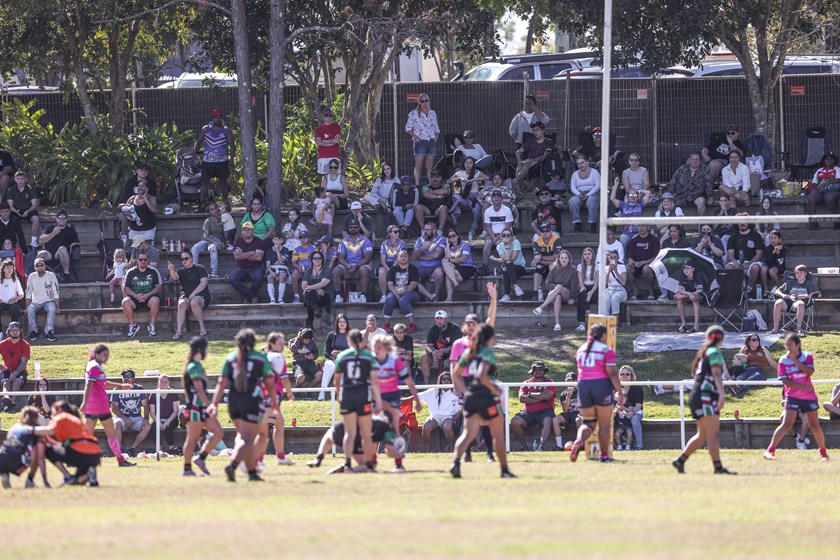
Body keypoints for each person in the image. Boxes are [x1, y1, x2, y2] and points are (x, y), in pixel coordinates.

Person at [449, 324, 514, 478]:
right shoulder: (487, 352)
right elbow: (482, 375)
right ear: (490, 338)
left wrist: (466, 391)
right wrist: (495, 389)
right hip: (486, 397)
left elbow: (455, 373)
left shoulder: (468, 351)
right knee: (498, 435)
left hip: (471, 397)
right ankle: (504, 470)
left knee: (466, 434)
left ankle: (455, 464)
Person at [213, 328, 278, 482]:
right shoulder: (260, 358)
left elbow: (221, 383)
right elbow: (269, 382)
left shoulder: (230, 358)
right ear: (253, 342)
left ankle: (252, 473)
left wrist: (214, 403)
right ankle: (233, 465)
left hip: (233, 401)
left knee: (243, 437)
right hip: (251, 401)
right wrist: (274, 402)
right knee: (248, 439)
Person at [671, 325, 734, 474]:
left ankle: (680, 461)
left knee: (702, 435)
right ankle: (718, 468)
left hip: (697, 395)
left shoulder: (705, 352)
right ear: (722, 339)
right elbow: (717, 374)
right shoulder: (714, 352)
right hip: (706, 396)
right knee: (713, 434)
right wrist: (722, 394)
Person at [763, 332, 829, 462]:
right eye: (786, 345)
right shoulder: (783, 360)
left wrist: (795, 361)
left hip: (809, 397)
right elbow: (784, 380)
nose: (788, 348)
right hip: (792, 396)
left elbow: (809, 371)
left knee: (814, 425)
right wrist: (801, 387)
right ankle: (770, 451)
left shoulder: (807, 356)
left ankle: (823, 453)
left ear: (798, 345)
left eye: (790, 345)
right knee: (786, 424)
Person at [568, 324, 622, 463]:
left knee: (588, 423)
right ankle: (604, 456)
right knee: (604, 424)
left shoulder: (580, 350)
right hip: (600, 385)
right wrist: (620, 393)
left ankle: (578, 441)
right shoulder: (606, 350)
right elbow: (612, 373)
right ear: (603, 335)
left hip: (583, 386)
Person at [332, 329, 383, 473]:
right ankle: (368, 464)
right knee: (366, 433)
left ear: (348, 340)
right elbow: (374, 381)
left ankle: (347, 463)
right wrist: (378, 401)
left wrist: (338, 395)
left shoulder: (342, 356)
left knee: (350, 432)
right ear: (361, 341)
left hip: (347, 394)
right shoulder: (368, 357)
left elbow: (336, 380)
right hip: (363, 395)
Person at [81, 344, 136, 467]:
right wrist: (84, 402)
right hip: (99, 404)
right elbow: (89, 384)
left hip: (94, 405)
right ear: (97, 354)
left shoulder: (93, 365)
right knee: (110, 434)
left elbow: (102, 383)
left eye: (108, 355)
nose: (106, 358)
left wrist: (120, 386)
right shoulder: (95, 366)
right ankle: (120, 460)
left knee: (88, 435)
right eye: (104, 355)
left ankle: (81, 458)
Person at [371, 333, 421, 469]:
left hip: (392, 398)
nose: (376, 350)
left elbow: (408, 381)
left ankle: (398, 465)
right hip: (377, 398)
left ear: (387, 348)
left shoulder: (395, 361)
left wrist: (417, 399)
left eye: (379, 347)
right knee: (373, 432)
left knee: (393, 432)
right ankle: (372, 463)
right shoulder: (371, 362)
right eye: (374, 347)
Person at [32, 401, 104, 487]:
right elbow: (66, 443)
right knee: (77, 480)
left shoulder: (62, 416)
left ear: (59, 409)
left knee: (48, 449)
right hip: (95, 456)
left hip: (81, 452)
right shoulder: (76, 420)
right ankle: (89, 476)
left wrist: (29, 430)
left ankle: (67, 476)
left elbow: (49, 431)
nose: (52, 413)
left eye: (53, 410)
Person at [181, 336, 224, 476]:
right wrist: (210, 406)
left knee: (218, 433)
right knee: (192, 439)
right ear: (200, 349)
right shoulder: (193, 366)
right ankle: (187, 468)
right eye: (206, 348)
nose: (208, 351)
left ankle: (201, 457)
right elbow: (199, 390)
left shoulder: (198, 365)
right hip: (195, 409)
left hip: (202, 408)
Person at [306, 413, 402, 473]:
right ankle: (346, 468)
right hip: (355, 435)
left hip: (351, 432)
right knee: (368, 467)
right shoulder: (385, 427)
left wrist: (320, 457)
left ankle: (341, 466)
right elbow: (389, 450)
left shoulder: (382, 426)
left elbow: (329, 435)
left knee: (331, 433)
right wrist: (398, 455)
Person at [263, 332, 295, 466]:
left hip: (261, 395)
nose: (283, 346)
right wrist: (290, 393)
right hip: (272, 396)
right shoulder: (277, 357)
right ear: (272, 343)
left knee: (278, 424)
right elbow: (284, 379)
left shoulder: (263, 356)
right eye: (280, 343)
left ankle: (280, 456)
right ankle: (258, 460)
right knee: (265, 430)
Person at [194, 109, 235, 208]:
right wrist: (194, 154)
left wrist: (231, 159)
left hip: (222, 161)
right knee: (204, 182)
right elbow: (198, 141)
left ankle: (225, 202)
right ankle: (202, 202)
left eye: (220, 116)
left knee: (223, 182)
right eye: (216, 117)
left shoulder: (226, 130)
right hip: (208, 161)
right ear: (212, 118)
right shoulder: (206, 129)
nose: (218, 118)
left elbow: (232, 146)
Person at [511, 361, 556, 451]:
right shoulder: (526, 383)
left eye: (540, 369)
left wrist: (530, 394)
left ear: (544, 371)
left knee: (548, 420)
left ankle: (541, 447)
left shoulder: (549, 382)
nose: (538, 371)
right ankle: (524, 447)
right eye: (535, 369)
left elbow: (547, 395)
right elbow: (521, 398)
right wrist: (540, 398)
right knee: (515, 421)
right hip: (528, 413)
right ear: (532, 371)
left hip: (545, 412)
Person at [533, 250, 579, 332]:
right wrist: (556, 287)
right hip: (554, 293)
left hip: (566, 293)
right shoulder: (554, 268)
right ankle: (557, 324)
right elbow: (548, 283)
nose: (564, 260)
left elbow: (574, 285)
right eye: (562, 258)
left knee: (560, 287)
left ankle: (542, 307)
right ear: (559, 259)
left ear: (569, 259)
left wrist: (572, 297)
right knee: (557, 296)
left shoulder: (573, 270)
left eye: (565, 258)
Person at [168, 251, 210, 340]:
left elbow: (204, 283)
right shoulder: (181, 271)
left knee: (194, 302)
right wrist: (171, 269)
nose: (184, 261)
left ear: (191, 259)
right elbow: (175, 278)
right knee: (181, 303)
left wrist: (193, 294)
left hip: (201, 295)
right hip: (186, 296)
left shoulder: (199, 268)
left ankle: (202, 327)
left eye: (186, 258)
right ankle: (179, 331)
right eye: (182, 259)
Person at [768, 264, 819, 336]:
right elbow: (777, 291)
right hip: (787, 302)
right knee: (778, 302)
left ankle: (798, 329)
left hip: (798, 305)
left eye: (801, 272)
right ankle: (775, 329)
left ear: (805, 274)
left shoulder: (809, 283)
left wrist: (805, 296)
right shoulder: (790, 282)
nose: (799, 275)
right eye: (797, 273)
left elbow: (818, 294)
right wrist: (783, 295)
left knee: (801, 303)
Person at [110, 369, 151, 457]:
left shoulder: (139, 388)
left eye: (128, 377)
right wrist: (125, 418)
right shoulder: (116, 389)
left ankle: (132, 449)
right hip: (122, 417)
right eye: (124, 377)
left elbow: (146, 405)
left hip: (136, 417)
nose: (126, 378)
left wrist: (146, 418)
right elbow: (113, 408)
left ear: (133, 379)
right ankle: (118, 452)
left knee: (147, 426)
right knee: (117, 423)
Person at [121, 252, 162, 338]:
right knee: (125, 302)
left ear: (148, 261)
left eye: (145, 260)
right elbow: (125, 288)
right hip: (134, 297)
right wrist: (135, 295)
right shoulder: (130, 272)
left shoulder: (154, 271)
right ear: (137, 261)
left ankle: (152, 325)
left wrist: (147, 295)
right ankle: (133, 326)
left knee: (155, 300)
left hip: (149, 297)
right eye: (140, 260)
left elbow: (158, 287)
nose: (143, 261)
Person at [332, 218, 373, 303]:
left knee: (364, 270)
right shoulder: (343, 241)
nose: (353, 229)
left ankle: (363, 295)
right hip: (347, 266)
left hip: (361, 265)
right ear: (348, 228)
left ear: (359, 228)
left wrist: (357, 266)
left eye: (355, 227)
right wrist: (347, 265)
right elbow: (340, 258)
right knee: (336, 270)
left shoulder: (366, 240)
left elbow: (367, 258)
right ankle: (338, 295)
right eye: (351, 227)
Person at [0, 406, 41, 489]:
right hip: (16, 462)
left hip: (1, 457)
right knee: (38, 453)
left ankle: (4, 474)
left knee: (7, 452)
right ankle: (30, 480)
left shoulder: (14, 427)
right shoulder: (33, 430)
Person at [419, 371, 461, 452]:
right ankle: (427, 450)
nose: (446, 381)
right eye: (443, 379)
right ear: (440, 381)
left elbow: (464, 404)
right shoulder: (432, 391)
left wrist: (459, 412)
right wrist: (401, 399)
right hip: (435, 416)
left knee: (447, 426)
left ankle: (453, 449)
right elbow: (417, 396)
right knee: (426, 426)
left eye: (448, 379)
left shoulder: (457, 392)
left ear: (451, 381)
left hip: (449, 417)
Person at [117, 162, 157, 245]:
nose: (144, 172)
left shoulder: (151, 183)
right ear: (137, 171)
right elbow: (127, 198)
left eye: (146, 171)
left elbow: (153, 198)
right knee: (122, 214)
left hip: (146, 205)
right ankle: (124, 238)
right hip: (133, 206)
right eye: (141, 170)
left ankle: (149, 237)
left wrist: (144, 198)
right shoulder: (130, 183)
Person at [405, 93, 439, 185]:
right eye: (422, 101)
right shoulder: (414, 113)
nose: (424, 103)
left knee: (430, 167)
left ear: (429, 101)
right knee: (419, 165)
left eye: (426, 101)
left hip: (431, 141)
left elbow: (436, 128)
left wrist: (435, 138)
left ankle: (430, 185)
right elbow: (408, 128)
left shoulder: (433, 113)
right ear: (419, 102)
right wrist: (416, 137)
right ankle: (417, 185)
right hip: (420, 142)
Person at [36, 209, 79, 282]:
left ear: (66, 219)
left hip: (61, 254)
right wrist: (53, 233)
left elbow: (76, 243)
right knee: (40, 254)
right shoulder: (49, 228)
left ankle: (66, 275)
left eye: (64, 217)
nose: (62, 219)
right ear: (56, 219)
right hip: (48, 253)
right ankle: (38, 276)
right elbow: (41, 240)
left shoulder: (71, 230)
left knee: (62, 249)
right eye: (60, 217)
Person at [728, 333, 777, 398]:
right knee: (739, 378)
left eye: (758, 340)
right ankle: (736, 387)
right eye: (754, 340)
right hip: (748, 370)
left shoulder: (763, 350)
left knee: (751, 379)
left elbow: (772, 362)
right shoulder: (744, 350)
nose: (756, 341)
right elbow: (740, 362)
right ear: (749, 342)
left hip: (760, 371)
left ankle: (738, 389)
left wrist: (782, 372)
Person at [383, 249, 420, 332]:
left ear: (408, 258)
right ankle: (387, 325)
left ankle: (412, 325)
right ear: (397, 258)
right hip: (395, 292)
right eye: (401, 256)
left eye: (405, 256)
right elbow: (390, 284)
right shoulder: (393, 269)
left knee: (403, 300)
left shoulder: (413, 269)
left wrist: (402, 293)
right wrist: (396, 294)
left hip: (411, 293)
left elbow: (413, 285)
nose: (403, 258)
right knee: (389, 299)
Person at [512, 121, 555, 194]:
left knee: (527, 162)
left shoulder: (548, 142)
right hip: (527, 164)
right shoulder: (531, 140)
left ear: (543, 131)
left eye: (537, 130)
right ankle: (519, 191)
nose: (535, 132)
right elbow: (518, 152)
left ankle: (515, 181)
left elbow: (547, 155)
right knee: (522, 164)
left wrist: (533, 160)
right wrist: (520, 162)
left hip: (540, 164)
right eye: (534, 130)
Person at [421, 309, 462, 384]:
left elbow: (456, 346)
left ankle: (456, 383)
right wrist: (432, 352)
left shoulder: (454, 328)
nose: (439, 321)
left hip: (451, 355)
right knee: (425, 358)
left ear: (446, 319)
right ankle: (426, 384)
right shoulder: (433, 329)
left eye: (441, 318)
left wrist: (443, 351)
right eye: (437, 318)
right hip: (436, 355)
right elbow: (428, 346)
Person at [725, 217, 764, 295]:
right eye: (739, 221)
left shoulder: (756, 236)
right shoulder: (732, 237)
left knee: (755, 267)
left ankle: (748, 290)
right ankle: (736, 291)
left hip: (753, 261)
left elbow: (759, 254)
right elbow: (730, 254)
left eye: (744, 221)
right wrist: (734, 262)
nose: (742, 224)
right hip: (738, 261)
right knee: (728, 267)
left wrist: (749, 264)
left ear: (748, 223)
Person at [229, 222, 265, 304]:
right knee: (232, 278)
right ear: (242, 231)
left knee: (259, 277)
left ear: (253, 231)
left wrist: (243, 254)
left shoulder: (259, 241)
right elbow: (237, 257)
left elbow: (259, 258)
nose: (247, 231)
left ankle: (248, 298)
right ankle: (252, 297)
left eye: (249, 230)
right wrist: (252, 252)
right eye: (245, 230)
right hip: (241, 268)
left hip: (256, 267)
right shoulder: (238, 242)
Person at [447, 156, 486, 230]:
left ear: (473, 164)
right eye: (466, 162)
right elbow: (448, 181)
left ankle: (473, 228)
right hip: (464, 197)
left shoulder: (477, 172)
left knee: (476, 211)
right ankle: (456, 213)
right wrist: (459, 178)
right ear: (464, 164)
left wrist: (475, 179)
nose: (468, 164)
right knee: (455, 196)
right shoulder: (460, 173)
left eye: (470, 163)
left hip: (473, 198)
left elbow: (487, 177)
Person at [25, 258, 60, 342]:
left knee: (52, 309)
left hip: (49, 300)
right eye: (37, 265)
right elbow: (29, 292)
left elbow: (56, 291)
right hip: (35, 301)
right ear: (34, 267)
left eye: (41, 265)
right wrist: (26, 307)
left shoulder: (51, 275)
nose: (40, 267)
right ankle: (33, 331)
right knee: (30, 310)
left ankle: (48, 331)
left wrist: (58, 307)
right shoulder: (31, 276)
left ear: (45, 266)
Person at [625, 225, 661, 300]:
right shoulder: (634, 240)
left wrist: (643, 262)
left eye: (643, 226)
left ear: (648, 227)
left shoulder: (654, 240)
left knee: (646, 268)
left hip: (650, 264)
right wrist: (631, 261)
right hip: (637, 264)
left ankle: (651, 290)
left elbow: (656, 257)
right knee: (628, 268)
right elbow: (629, 256)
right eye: (639, 226)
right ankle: (636, 291)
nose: (641, 228)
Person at [0, 322, 30, 413]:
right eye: (12, 330)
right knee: (6, 382)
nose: (15, 332)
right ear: (9, 332)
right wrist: (1, 367)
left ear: (20, 331)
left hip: (20, 370)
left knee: (17, 382)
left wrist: (15, 373)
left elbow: (24, 362)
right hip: (7, 369)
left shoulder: (25, 344)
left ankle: (11, 403)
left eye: (17, 330)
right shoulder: (2, 344)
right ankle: (7, 398)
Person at [490, 228, 526, 302]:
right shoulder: (499, 246)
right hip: (508, 268)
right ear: (501, 237)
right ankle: (515, 288)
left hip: (520, 268)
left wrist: (496, 259)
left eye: (508, 235)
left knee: (507, 265)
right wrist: (507, 246)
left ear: (512, 236)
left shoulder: (516, 242)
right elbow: (506, 259)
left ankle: (508, 294)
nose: (506, 237)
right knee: (505, 269)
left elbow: (511, 259)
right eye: (504, 235)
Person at [806, 152, 840, 229]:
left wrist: (827, 183)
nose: (828, 160)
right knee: (811, 198)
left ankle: (837, 220)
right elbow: (814, 183)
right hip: (820, 190)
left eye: (831, 159)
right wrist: (818, 187)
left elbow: (838, 180)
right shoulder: (819, 170)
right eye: (826, 159)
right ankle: (813, 223)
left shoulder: (837, 169)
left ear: (834, 161)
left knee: (829, 197)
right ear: (823, 161)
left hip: (833, 190)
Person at [6, 171, 40, 248]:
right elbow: (10, 206)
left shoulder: (31, 189)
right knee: (10, 220)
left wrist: (27, 211)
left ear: (25, 179)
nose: (20, 181)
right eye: (18, 179)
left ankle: (34, 242)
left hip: (29, 210)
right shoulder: (11, 190)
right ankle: (12, 242)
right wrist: (16, 211)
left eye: (22, 179)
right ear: (15, 180)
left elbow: (34, 205)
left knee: (36, 218)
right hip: (15, 210)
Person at [482, 190, 514, 270]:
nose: (496, 199)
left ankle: (504, 266)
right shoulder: (487, 211)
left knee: (500, 245)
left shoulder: (507, 210)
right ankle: (485, 266)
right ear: (492, 199)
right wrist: (493, 237)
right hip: (491, 234)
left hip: (504, 234)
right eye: (495, 197)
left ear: (502, 199)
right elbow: (488, 227)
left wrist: (499, 237)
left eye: (498, 197)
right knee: (487, 244)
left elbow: (507, 226)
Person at [191, 201, 224, 279]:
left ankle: (214, 272)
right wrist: (214, 242)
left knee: (212, 248)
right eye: (212, 209)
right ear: (209, 212)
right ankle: (194, 271)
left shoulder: (222, 219)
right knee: (195, 248)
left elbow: (225, 233)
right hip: (208, 240)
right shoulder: (208, 221)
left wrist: (224, 244)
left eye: (215, 208)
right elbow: (205, 236)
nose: (214, 210)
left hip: (218, 241)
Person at [412, 223, 445, 301]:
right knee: (412, 279)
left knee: (439, 273)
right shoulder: (420, 240)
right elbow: (415, 255)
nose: (425, 232)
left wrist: (421, 257)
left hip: (436, 266)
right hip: (422, 267)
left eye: (427, 230)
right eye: (424, 229)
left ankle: (436, 295)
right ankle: (431, 296)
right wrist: (422, 249)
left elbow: (436, 255)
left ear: (434, 230)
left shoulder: (442, 239)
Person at [531, 221, 563, 302]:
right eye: (542, 231)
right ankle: (536, 293)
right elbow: (536, 258)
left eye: (547, 230)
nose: (545, 233)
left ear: (551, 231)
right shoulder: (537, 241)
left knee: (552, 266)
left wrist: (542, 258)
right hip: (543, 265)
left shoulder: (557, 239)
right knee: (538, 267)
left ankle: (553, 290)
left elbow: (557, 257)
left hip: (555, 264)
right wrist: (542, 259)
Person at [149, 375, 180, 454]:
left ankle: (171, 449)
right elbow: (152, 412)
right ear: (158, 382)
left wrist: (168, 421)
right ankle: (159, 450)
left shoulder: (173, 393)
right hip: (158, 418)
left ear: (169, 382)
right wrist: (158, 422)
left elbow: (175, 411)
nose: (163, 383)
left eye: (165, 381)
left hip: (171, 419)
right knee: (154, 428)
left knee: (167, 428)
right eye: (161, 381)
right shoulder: (153, 394)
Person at [301, 251, 333, 329]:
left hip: (324, 296)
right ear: (311, 260)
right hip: (313, 297)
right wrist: (316, 289)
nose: (317, 260)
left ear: (322, 260)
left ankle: (309, 322)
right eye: (315, 258)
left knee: (309, 295)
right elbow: (303, 285)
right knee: (310, 295)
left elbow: (323, 284)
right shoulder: (308, 270)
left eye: (319, 258)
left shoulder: (327, 270)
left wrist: (309, 287)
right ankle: (315, 310)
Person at [441, 230, 474, 303]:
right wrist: (447, 244)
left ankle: (449, 298)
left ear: (457, 236)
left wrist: (449, 260)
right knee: (444, 262)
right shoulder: (448, 247)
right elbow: (447, 258)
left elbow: (463, 259)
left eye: (454, 235)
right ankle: (454, 283)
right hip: (456, 267)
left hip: (467, 267)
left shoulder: (464, 245)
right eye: (449, 237)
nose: (452, 237)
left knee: (448, 275)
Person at [569, 156, 601, 233]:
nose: (580, 165)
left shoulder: (594, 172)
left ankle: (592, 224)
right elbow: (573, 188)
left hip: (593, 193)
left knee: (591, 201)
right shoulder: (575, 174)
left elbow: (598, 185)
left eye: (582, 162)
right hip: (579, 193)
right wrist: (579, 194)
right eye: (578, 164)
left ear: (587, 162)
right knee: (572, 201)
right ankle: (577, 223)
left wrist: (588, 194)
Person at [674, 260, 706, 334]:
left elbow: (699, 291)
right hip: (690, 295)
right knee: (679, 300)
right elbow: (680, 290)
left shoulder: (698, 275)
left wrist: (684, 295)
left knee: (693, 298)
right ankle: (683, 324)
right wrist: (688, 294)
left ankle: (696, 326)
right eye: (684, 268)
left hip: (702, 296)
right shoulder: (682, 275)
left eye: (688, 268)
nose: (685, 270)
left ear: (693, 269)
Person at [552, 371, 581, 449]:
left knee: (579, 420)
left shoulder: (582, 391)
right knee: (555, 420)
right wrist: (568, 397)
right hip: (569, 414)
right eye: (568, 381)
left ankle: (579, 444)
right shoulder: (563, 394)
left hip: (580, 413)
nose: (570, 383)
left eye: (572, 381)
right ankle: (559, 445)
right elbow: (565, 410)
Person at [378, 225, 407, 303]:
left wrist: (393, 268)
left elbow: (400, 258)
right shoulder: (384, 244)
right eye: (395, 232)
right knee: (381, 272)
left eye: (399, 232)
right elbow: (383, 260)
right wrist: (388, 269)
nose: (398, 233)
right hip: (387, 264)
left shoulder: (402, 243)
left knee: (399, 272)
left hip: (399, 263)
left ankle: (400, 294)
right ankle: (383, 296)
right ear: (389, 233)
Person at [123, 180, 158, 245]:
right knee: (135, 248)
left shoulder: (151, 198)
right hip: (134, 229)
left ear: (147, 188)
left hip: (147, 229)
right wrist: (128, 214)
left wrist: (145, 198)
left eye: (143, 186)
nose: (140, 187)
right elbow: (125, 210)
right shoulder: (132, 198)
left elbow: (153, 210)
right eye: (139, 186)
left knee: (145, 248)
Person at [619, 365, 645, 450]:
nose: (624, 376)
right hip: (620, 411)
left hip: (635, 412)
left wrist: (632, 412)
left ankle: (639, 446)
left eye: (627, 374)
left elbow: (638, 405)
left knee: (634, 419)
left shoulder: (637, 388)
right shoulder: (617, 388)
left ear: (631, 375)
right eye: (622, 374)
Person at [575, 247, 598, 332]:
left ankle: (582, 323)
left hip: (594, 289)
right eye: (585, 254)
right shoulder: (580, 266)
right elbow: (581, 281)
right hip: (584, 287)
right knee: (582, 295)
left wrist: (591, 292)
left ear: (592, 255)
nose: (587, 256)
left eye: (589, 254)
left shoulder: (596, 266)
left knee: (582, 297)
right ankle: (587, 315)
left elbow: (596, 283)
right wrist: (583, 288)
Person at [290, 230, 316, 303]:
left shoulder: (314, 248)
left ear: (309, 238)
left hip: (311, 268)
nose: (303, 239)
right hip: (300, 269)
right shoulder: (296, 249)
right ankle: (296, 296)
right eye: (301, 238)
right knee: (294, 276)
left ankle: (310, 297)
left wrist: (311, 268)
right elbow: (293, 263)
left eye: (305, 238)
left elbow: (317, 261)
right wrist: (299, 267)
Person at [265, 232, 290, 305]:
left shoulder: (285, 250)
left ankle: (280, 299)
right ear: (273, 240)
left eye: (279, 240)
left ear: (282, 240)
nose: (277, 242)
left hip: (282, 269)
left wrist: (278, 250)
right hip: (272, 269)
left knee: (282, 276)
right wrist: (271, 272)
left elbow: (281, 261)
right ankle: (272, 299)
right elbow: (268, 264)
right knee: (269, 277)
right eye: (275, 239)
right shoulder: (269, 251)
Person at [602, 249, 627, 319]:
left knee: (614, 298)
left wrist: (616, 271)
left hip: (620, 289)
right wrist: (609, 271)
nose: (613, 259)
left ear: (618, 258)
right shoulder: (605, 268)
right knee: (605, 297)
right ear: (608, 258)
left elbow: (623, 282)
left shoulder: (622, 267)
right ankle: (606, 319)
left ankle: (616, 321)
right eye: (611, 257)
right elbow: (604, 283)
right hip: (609, 289)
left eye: (615, 257)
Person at [315, 109, 341, 174]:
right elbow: (318, 142)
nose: (328, 117)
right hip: (323, 156)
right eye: (326, 115)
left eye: (330, 115)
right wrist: (331, 142)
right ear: (323, 116)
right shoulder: (319, 128)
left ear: (332, 116)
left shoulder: (336, 127)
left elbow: (337, 140)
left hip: (334, 155)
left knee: (335, 176)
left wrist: (325, 141)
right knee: (324, 177)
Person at [760, 229, 786, 296]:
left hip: (779, 267)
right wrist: (773, 252)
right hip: (770, 265)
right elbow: (767, 261)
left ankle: (779, 287)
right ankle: (766, 289)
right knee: (763, 269)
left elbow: (781, 262)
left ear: (779, 239)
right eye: (771, 238)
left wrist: (778, 253)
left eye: (775, 238)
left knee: (771, 271)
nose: (773, 240)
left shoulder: (783, 248)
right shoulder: (767, 249)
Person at [0, 259, 24, 331]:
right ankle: (0, 332)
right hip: (1, 303)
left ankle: (14, 331)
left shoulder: (15, 280)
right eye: (7, 268)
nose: (9, 270)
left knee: (15, 311)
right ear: (3, 269)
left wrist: (14, 299)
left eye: (11, 268)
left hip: (12, 303)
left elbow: (21, 295)